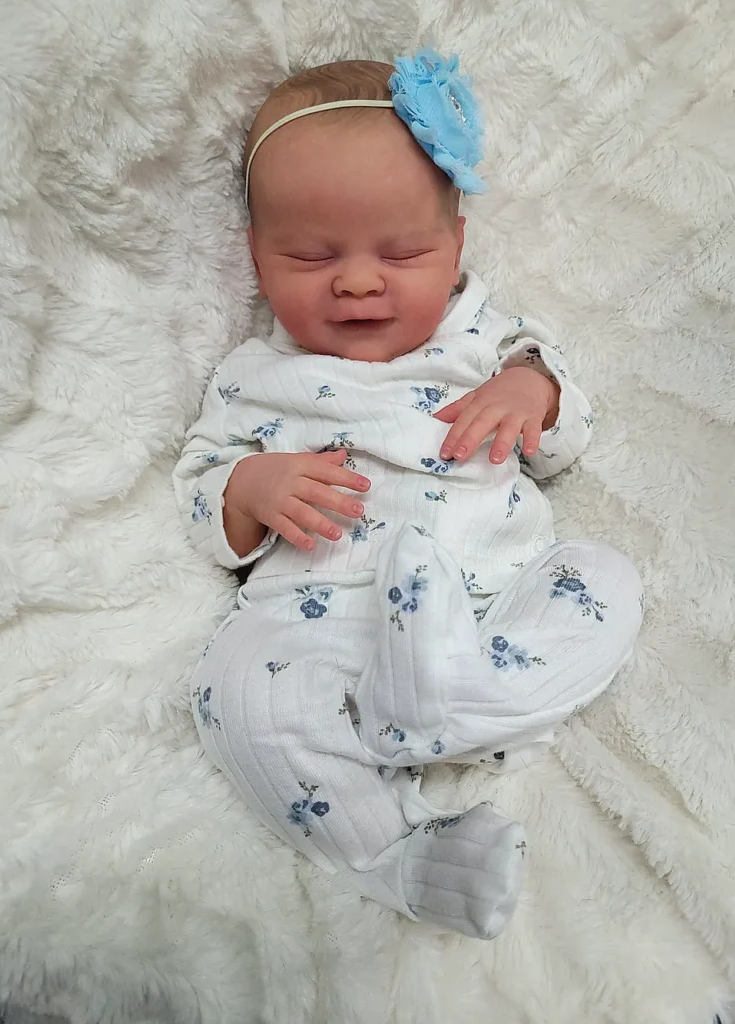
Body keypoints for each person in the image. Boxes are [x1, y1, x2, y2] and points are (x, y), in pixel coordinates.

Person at [173, 51, 643, 939]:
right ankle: (394, 855)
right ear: (256, 259)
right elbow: (200, 496)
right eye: (310, 255)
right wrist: (250, 486)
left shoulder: (490, 343)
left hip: (488, 601)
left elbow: (565, 440)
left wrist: (533, 392)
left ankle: (462, 700)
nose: (358, 281)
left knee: (603, 579)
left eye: (403, 253)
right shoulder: (253, 376)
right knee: (236, 700)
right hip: (316, 617)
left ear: (455, 248)